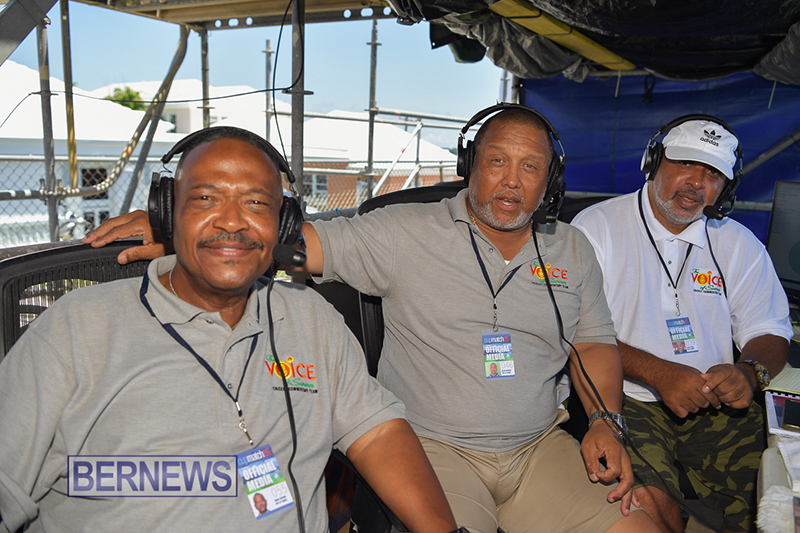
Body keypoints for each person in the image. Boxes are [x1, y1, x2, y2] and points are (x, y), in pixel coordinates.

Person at [85, 106, 659, 533]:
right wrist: (181, 225)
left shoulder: (573, 250)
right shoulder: (404, 231)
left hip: (539, 447)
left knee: (642, 527)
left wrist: (607, 420)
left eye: (530, 167)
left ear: (550, 180)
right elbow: (290, 244)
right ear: (470, 168)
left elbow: (593, 341)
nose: (511, 181)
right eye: (497, 163)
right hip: (437, 450)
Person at [0, 128, 457, 532]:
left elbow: (375, 431)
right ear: (167, 214)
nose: (232, 221)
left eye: (256, 203)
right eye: (205, 199)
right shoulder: (74, 327)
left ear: (284, 224)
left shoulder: (309, 320)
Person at [571, 116, 793, 533]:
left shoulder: (738, 242)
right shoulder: (595, 228)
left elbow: (771, 329)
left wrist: (748, 372)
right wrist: (660, 374)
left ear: (725, 189)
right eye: (686, 164)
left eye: (712, 174)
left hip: (714, 399)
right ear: (654, 162)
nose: (696, 183)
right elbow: (575, 333)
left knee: (775, 492)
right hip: (628, 397)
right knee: (647, 504)